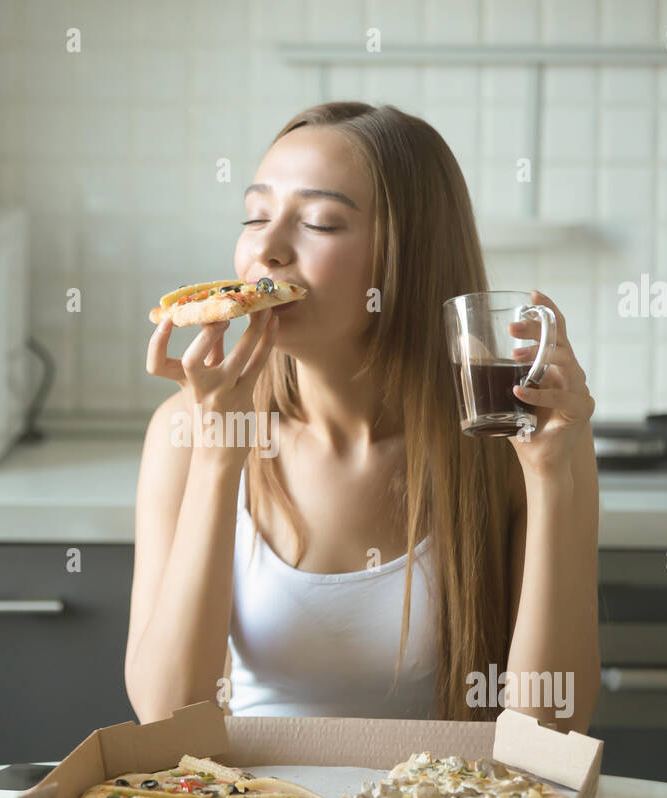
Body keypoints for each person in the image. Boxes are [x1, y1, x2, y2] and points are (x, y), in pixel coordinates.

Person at [126, 102, 599, 734]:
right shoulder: (186, 431)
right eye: (256, 215)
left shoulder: (515, 436)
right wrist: (219, 453)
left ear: (406, 260)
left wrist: (551, 482)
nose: (266, 249)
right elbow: (164, 720)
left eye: (320, 223)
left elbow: (553, 730)